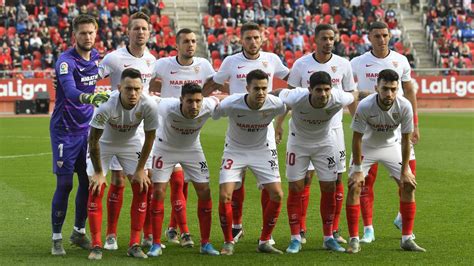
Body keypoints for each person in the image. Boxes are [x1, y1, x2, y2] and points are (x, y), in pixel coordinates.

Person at [203, 22, 289, 243]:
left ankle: (265, 234)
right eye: (248, 38)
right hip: (238, 127)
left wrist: (279, 125)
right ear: (241, 40)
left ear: (263, 39)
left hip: (264, 131)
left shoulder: (272, 60)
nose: (253, 42)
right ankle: (237, 226)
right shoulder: (231, 61)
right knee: (236, 180)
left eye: (256, 38)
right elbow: (216, 82)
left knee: (268, 184)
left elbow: (291, 81)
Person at [278, 24, 357, 244]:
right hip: (303, 130)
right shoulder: (301, 64)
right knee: (304, 178)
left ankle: (334, 230)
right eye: (324, 38)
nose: (328, 42)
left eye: (332, 38)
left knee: (335, 177)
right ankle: (300, 229)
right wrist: (279, 123)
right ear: (316, 40)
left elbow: (351, 94)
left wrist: (358, 123)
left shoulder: (344, 64)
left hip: (333, 131)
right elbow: (290, 96)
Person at [350, 21, 420, 243]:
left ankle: (403, 217)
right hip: (369, 127)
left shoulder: (400, 60)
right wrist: (357, 114)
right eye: (377, 35)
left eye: (385, 35)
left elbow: (409, 90)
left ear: (390, 36)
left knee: (409, 177)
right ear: (369, 37)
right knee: (364, 181)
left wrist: (415, 124)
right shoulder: (358, 62)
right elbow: (349, 91)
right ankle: (368, 228)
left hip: (396, 128)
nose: (382, 39)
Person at [345, 69, 425, 253]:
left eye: (393, 89)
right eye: (385, 89)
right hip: (367, 147)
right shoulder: (365, 106)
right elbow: (356, 138)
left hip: (391, 147)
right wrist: (357, 168)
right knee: (355, 185)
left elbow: (405, 140)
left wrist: (405, 170)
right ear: (377, 88)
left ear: (398, 90)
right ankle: (354, 239)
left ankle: (406, 238)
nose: (389, 93)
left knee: (408, 185)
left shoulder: (404, 106)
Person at [97, 11, 157, 250]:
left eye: (144, 28)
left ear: (149, 32)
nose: (140, 32)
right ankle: (111, 234)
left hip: (141, 126)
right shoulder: (113, 59)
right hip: (116, 126)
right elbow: (92, 78)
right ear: (128, 32)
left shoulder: (153, 60)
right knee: (118, 180)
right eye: (136, 28)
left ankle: (146, 235)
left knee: (145, 180)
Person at [50, 14, 109, 256]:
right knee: (65, 184)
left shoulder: (96, 57)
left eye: (90, 32)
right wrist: (89, 97)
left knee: (89, 182)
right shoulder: (65, 62)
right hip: (65, 129)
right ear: (74, 35)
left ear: (96, 34)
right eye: (82, 33)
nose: (87, 37)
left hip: (88, 129)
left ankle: (78, 232)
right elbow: (71, 90)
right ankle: (56, 238)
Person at [151, 28, 216, 246]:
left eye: (193, 41)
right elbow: (145, 80)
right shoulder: (163, 64)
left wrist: (198, 101)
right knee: (176, 183)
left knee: (184, 184)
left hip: (190, 131)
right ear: (176, 45)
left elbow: (217, 82)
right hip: (166, 130)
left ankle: (174, 228)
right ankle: (179, 231)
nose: (190, 45)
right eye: (186, 41)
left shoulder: (204, 65)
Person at [86, 68, 159, 260]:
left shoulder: (149, 105)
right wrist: (100, 173)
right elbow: (93, 140)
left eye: (137, 89)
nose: (133, 93)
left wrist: (141, 169)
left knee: (142, 186)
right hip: (104, 144)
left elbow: (150, 138)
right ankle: (96, 245)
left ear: (142, 88)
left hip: (130, 143)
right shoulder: (106, 106)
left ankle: (134, 244)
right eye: (128, 89)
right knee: (96, 187)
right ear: (119, 88)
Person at [213, 69, 286, 255]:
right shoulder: (232, 103)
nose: (261, 93)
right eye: (256, 89)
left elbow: (284, 111)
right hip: (235, 150)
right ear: (247, 88)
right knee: (225, 195)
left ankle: (265, 240)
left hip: (262, 151)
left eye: (264, 88)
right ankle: (228, 241)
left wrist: (279, 125)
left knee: (277, 194)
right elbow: (214, 113)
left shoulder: (275, 104)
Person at [147, 83, 221, 257]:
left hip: (192, 149)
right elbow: (147, 100)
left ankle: (205, 243)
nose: (194, 106)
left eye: (198, 101)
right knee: (158, 192)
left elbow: (221, 101)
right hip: (165, 149)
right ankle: (156, 244)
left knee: (205, 191)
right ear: (181, 100)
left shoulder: (208, 106)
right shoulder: (167, 106)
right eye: (190, 101)